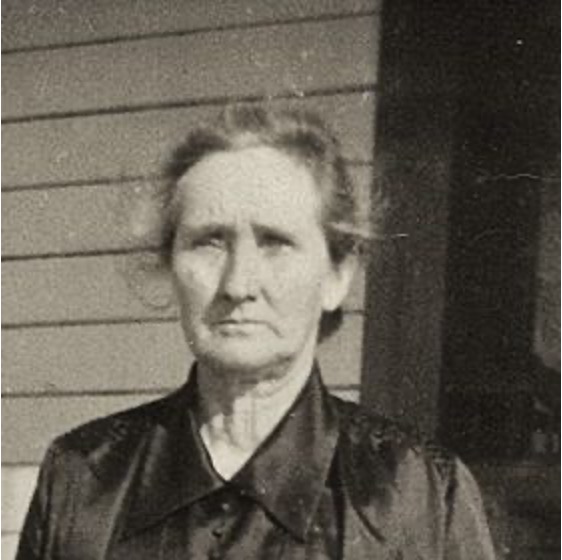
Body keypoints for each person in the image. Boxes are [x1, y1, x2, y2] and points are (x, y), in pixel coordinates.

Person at [16, 105, 497, 559]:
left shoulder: (418, 493)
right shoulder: (85, 478)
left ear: (338, 275)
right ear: (169, 267)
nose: (238, 284)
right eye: (209, 242)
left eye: (275, 243)